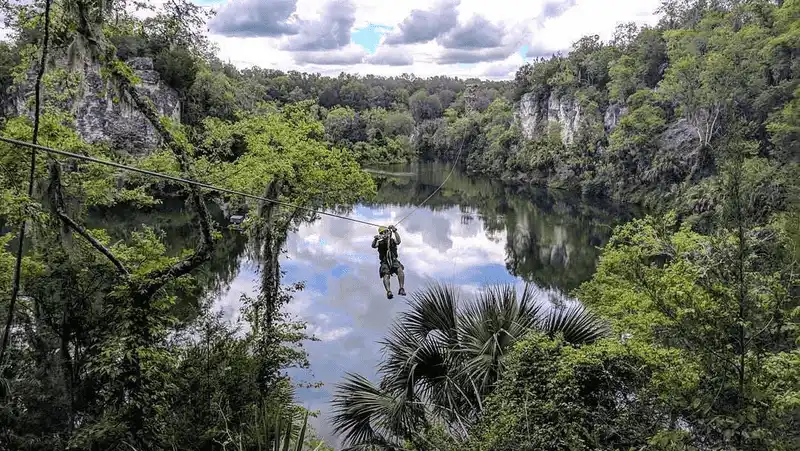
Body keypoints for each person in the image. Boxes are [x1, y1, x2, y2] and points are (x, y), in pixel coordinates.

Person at [372, 225, 405, 299]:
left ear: (388, 232)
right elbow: (373, 246)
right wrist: (375, 239)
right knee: (386, 275)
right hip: (384, 262)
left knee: (400, 270)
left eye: (385, 232)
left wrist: (395, 231)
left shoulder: (392, 240)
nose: (384, 234)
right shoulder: (379, 242)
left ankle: (401, 288)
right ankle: (388, 291)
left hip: (394, 260)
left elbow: (398, 241)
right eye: (382, 233)